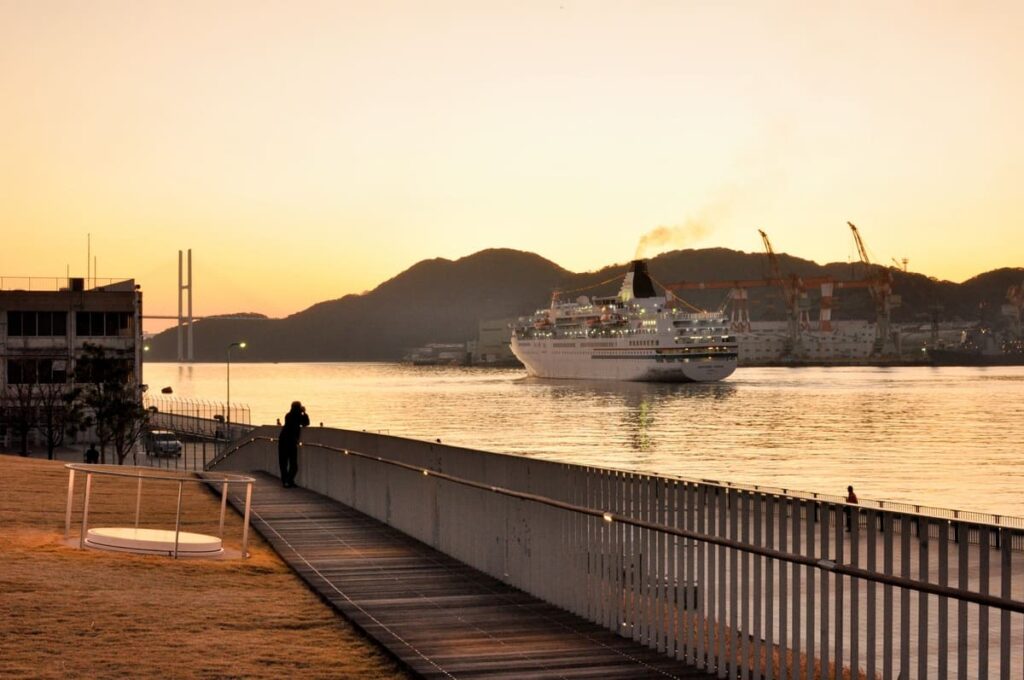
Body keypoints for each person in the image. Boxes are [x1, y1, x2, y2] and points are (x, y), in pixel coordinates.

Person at [278, 401, 309, 488]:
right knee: (293, 464)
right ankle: (289, 480)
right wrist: (304, 413)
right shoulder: (297, 416)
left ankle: (286, 481)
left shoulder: (288, 415)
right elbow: (306, 423)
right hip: (291, 442)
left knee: (283, 463)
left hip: (283, 440)